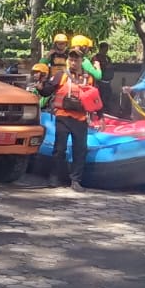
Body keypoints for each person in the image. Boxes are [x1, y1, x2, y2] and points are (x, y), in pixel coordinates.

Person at [39, 54, 97, 190]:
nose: (73, 62)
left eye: (76, 60)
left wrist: (99, 116)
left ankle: (76, 180)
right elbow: (47, 91)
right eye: (71, 60)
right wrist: (40, 87)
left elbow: (95, 97)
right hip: (63, 117)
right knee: (59, 149)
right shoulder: (61, 75)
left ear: (81, 61)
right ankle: (54, 178)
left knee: (80, 150)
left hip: (80, 118)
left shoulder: (88, 78)